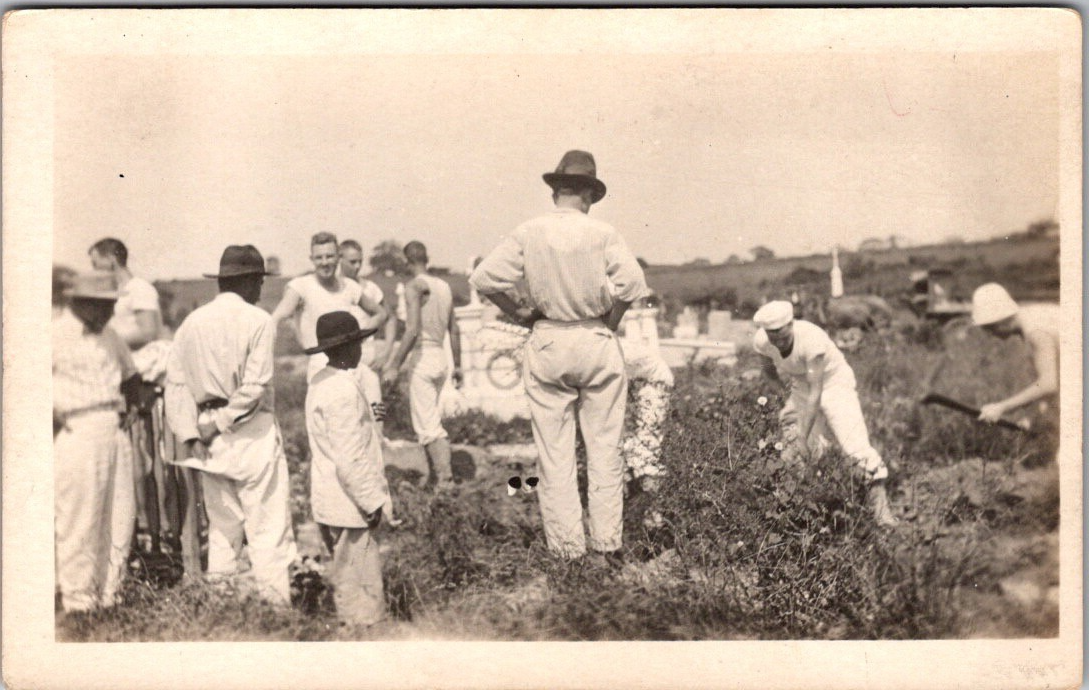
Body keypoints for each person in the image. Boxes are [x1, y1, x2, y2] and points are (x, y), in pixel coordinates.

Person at [470, 150, 647, 561]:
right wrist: (611, 320)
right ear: (588, 194)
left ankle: (568, 552)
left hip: (548, 339)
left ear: (556, 192)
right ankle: (607, 546)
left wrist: (519, 312)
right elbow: (633, 284)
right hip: (594, 338)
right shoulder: (603, 232)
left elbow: (483, 278)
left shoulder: (529, 231)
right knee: (605, 449)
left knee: (554, 455)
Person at [164, 245, 297, 604]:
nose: (260, 291)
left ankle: (220, 607)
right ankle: (276, 609)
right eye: (259, 283)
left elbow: (175, 383)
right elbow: (254, 386)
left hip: (209, 436)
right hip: (248, 432)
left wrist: (190, 432)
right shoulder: (259, 321)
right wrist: (217, 424)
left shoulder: (192, 323)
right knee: (267, 526)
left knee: (223, 529)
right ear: (250, 282)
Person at [752, 301, 897, 527]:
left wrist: (803, 435)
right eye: (772, 334)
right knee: (793, 450)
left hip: (833, 382)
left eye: (781, 333)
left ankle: (882, 512)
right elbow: (769, 375)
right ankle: (804, 513)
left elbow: (816, 392)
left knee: (854, 444)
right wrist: (787, 400)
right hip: (800, 386)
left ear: (791, 324)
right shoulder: (762, 341)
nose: (777, 340)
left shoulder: (811, 339)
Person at [53, 270, 140, 613]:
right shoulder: (53, 335)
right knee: (80, 519)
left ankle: (110, 596)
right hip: (76, 429)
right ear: (80, 303)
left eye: (112, 305)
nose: (108, 312)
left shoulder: (112, 336)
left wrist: (131, 407)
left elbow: (132, 375)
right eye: (102, 305)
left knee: (119, 517)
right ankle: (79, 604)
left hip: (113, 428)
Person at [304, 311, 390, 628]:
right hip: (349, 502)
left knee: (346, 576)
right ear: (348, 348)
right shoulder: (341, 391)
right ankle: (364, 640)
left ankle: (351, 630)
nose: (361, 350)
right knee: (361, 587)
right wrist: (371, 501)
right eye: (358, 344)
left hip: (331, 497)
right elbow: (349, 456)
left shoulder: (322, 381)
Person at [89, 237, 173, 554]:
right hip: (120, 379)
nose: (94, 271)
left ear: (112, 260)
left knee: (148, 462)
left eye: (96, 263)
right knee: (129, 463)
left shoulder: (139, 289)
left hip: (144, 379)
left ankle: (159, 535)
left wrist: (105, 337)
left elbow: (150, 331)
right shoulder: (111, 293)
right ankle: (132, 537)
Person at [382, 241, 462, 488]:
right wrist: (458, 365)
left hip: (423, 357)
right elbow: (455, 330)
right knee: (430, 421)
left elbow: (412, 329)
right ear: (426, 258)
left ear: (407, 262)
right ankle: (433, 478)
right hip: (441, 357)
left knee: (428, 426)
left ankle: (445, 482)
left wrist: (394, 364)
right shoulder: (444, 286)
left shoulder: (414, 286)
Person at [270, 233, 388, 400]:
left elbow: (380, 313)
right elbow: (278, 316)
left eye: (329, 256)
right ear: (311, 259)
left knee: (369, 416)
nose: (325, 262)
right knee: (327, 418)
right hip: (321, 366)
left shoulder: (350, 286)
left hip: (353, 362)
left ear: (338, 257)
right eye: (319, 257)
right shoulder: (300, 286)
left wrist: (357, 337)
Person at [970, 283, 1059, 424]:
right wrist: (1034, 418)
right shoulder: (1030, 318)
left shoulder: (1035, 332)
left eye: (989, 328)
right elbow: (1052, 378)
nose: (990, 335)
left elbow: (1049, 384)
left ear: (1001, 320)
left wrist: (1001, 407)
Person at [337, 238, 398, 426]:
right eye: (352, 262)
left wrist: (386, 351)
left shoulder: (370, 288)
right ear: (340, 260)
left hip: (368, 358)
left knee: (376, 412)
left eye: (359, 261)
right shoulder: (333, 288)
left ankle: (379, 445)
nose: (357, 266)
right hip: (342, 360)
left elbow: (390, 317)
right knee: (348, 415)